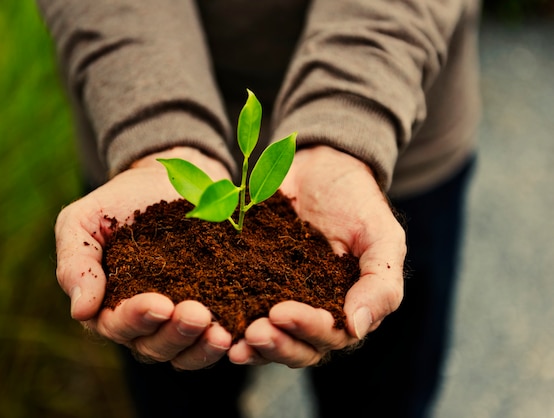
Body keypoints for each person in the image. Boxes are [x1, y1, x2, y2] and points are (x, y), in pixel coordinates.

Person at [37, 0, 481, 416]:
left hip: (391, 127)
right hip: (132, 136)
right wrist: (154, 123)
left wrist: (350, 119)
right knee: (178, 396)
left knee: (384, 397)